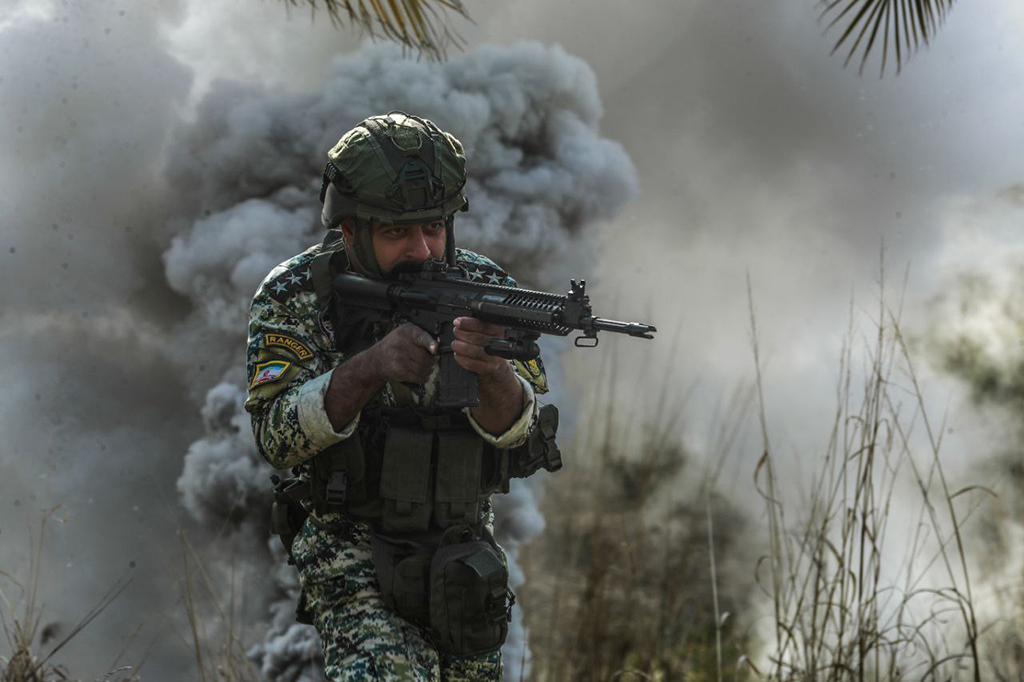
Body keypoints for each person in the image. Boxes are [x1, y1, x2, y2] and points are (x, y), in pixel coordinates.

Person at [244, 112, 556, 680]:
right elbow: (276, 435)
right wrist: (368, 369)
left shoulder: (486, 290)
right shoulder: (297, 293)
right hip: (351, 550)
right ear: (349, 231)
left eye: (435, 227)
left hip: (463, 558)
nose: (423, 249)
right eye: (397, 232)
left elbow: (526, 435)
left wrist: (490, 372)